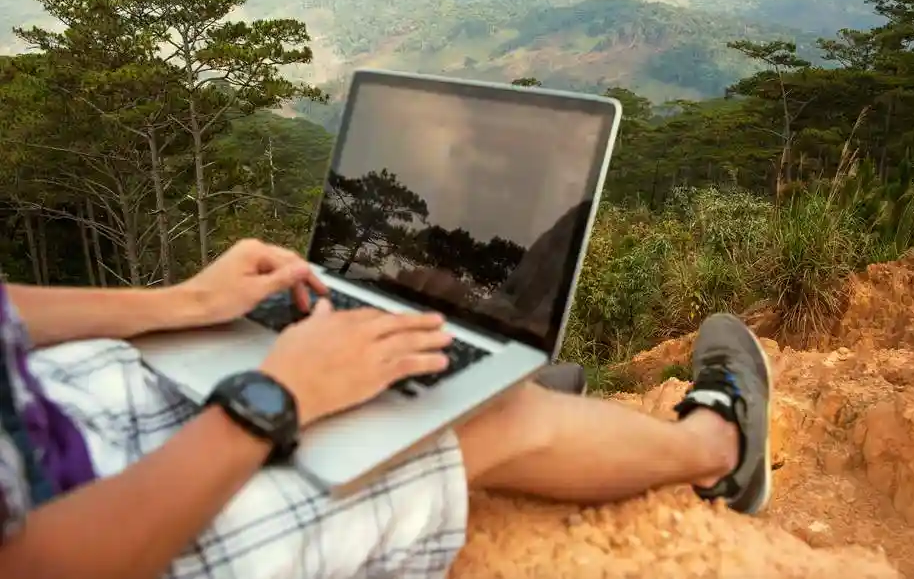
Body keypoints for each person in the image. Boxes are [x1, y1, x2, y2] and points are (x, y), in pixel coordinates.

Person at [0, 238, 772, 579]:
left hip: (53, 402)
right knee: (485, 419)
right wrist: (269, 400)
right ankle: (719, 447)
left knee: (290, 343)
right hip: (89, 540)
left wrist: (182, 304)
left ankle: (500, 393)